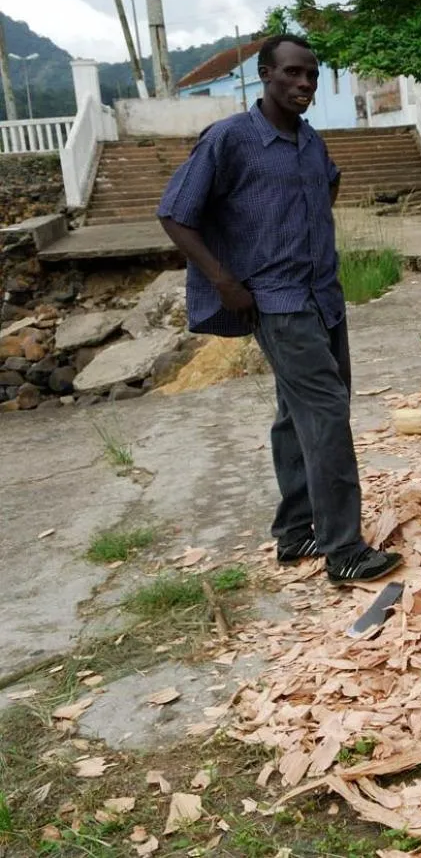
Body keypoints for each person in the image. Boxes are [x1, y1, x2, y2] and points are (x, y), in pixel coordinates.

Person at [157, 34, 402, 585]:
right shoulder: (229, 140)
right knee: (327, 415)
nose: (304, 84)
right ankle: (344, 551)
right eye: (292, 73)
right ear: (264, 74)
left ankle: (296, 534)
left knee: (297, 416)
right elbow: (175, 213)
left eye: (311, 75)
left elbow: (327, 186)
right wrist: (225, 279)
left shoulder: (310, 142)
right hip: (277, 302)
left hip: (323, 297)